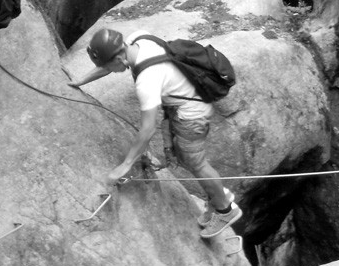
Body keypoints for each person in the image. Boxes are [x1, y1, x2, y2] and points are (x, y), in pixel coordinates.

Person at [65, 28, 242, 239]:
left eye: (107, 65)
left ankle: (225, 210)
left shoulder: (147, 80)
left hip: (192, 115)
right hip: (184, 102)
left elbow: (148, 128)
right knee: (185, 157)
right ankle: (219, 195)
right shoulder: (137, 39)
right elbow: (108, 66)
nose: (107, 69)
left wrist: (126, 164)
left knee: (196, 163)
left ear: (119, 58)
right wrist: (81, 81)